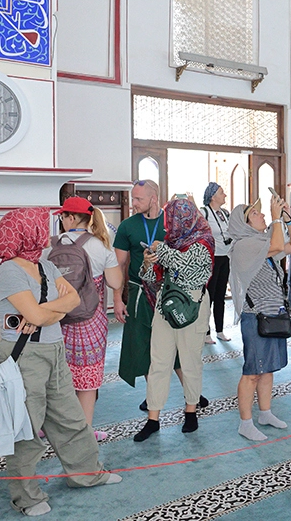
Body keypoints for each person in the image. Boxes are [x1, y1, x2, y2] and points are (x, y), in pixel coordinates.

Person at [0, 208, 121, 517]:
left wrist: (44, 311)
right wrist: (46, 312)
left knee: (70, 419)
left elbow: (73, 301)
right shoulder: (9, 270)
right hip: (25, 358)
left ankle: (87, 473)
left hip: (54, 350)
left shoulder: (45, 264)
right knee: (26, 427)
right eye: (38, 226)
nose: (44, 229)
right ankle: (27, 497)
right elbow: (37, 316)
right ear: (25, 232)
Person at [134, 197, 214, 442]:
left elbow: (187, 267)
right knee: (158, 362)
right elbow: (150, 279)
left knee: (190, 361)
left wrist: (162, 251)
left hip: (192, 304)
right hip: (166, 305)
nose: (168, 226)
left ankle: (191, 411)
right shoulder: (170, 242)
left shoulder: (203, 241)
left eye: (172, 219)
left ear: (186, 218)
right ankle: (153, 419)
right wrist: (147, 265)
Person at [228, 196, 291, 440]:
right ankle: (245, 422)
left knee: (268, 369)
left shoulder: (262, 241)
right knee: (252, 372)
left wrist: (288, 218)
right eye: (256, 214)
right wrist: (275, 218)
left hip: (274, 314)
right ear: (244, 223)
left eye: (262, 213)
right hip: (256, 317)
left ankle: (265, 412)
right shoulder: (243, 245)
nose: (261, 216)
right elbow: (279, 245)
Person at [49, 197, 123, 441]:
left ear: (71, 218)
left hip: (57, 319)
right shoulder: (100, 246)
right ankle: (84, 432)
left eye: (63, 216)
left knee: (59, 377)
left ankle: (52, 427)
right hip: (89, 321)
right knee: (87, 380)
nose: (61, 220)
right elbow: (115, 283)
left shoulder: (51, 245)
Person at [113, 180, 181, 406]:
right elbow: (119, 265)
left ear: (153, 198)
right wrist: (117, 300)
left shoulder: (173, 223)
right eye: (133, 198)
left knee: (178, 346)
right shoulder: (127, 227)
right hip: (139, 292)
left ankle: (192, 392)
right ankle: (153, 396)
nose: (133, 203)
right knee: (143, 345)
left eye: (138, 199)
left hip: (170, 292)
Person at [201, 182, 232, 343]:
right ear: (213, 196)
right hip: (211, 258)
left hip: (225, 257)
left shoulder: (225, 213)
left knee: (221, 295)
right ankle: (205, 332)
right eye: (221, 192)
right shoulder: (204, 212)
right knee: (209, 296)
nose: (224, 195)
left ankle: (220, 330)